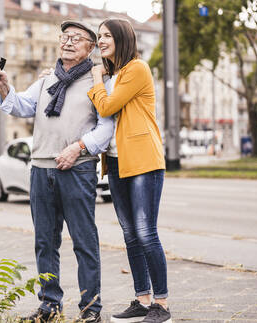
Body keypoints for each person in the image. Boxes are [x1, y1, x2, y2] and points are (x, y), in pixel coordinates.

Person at [0, 21, 114, 323]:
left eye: (77, 38)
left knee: (84, 241)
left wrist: (79, 148)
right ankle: (49, 306)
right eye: (64, 37)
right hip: (40, 170)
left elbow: (106, 126)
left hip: (78, 170)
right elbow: (19, 106)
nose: (68, 42)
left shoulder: (99, 81)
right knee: (45, 242)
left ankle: (91, 309)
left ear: (90, 47)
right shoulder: (47, 80)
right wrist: (5, 85)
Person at [88, 18, 171, 323]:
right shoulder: (112, 74)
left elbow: (107, 107)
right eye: (99, 36)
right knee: (130, 235)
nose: (101, 40)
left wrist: (97, 77)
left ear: (122, 38)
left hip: (143, 160)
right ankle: (142, 299)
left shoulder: (137, 68)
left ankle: (161, 305)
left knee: (146, 233)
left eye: (107, 35)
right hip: (118, 162)